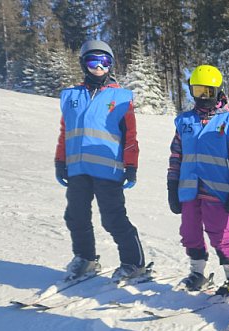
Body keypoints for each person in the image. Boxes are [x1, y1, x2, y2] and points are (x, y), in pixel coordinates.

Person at [55, 39, 146, 283]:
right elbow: (66, 132)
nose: (98, 67)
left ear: (111, 65)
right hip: (77, 169)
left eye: (104, 62)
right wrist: (60, 160)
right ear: (83, 64)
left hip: (108, 169)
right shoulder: (71, 96)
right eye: (92, 61)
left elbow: (130, 136)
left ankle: (133, 263)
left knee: (113, 218)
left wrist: (131, 165)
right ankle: (86, 258)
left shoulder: (121, 97)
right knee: (76, 216)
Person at [166, 65, 229, 295]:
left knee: (219, 234)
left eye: (208, 92)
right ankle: (197, 273)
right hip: (189, 189)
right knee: (189, 233)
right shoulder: (185, 121)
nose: (202, 97)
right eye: (197, 90)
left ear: (218, 91)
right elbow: (176, 155)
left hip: (218, 191)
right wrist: (172, 186)